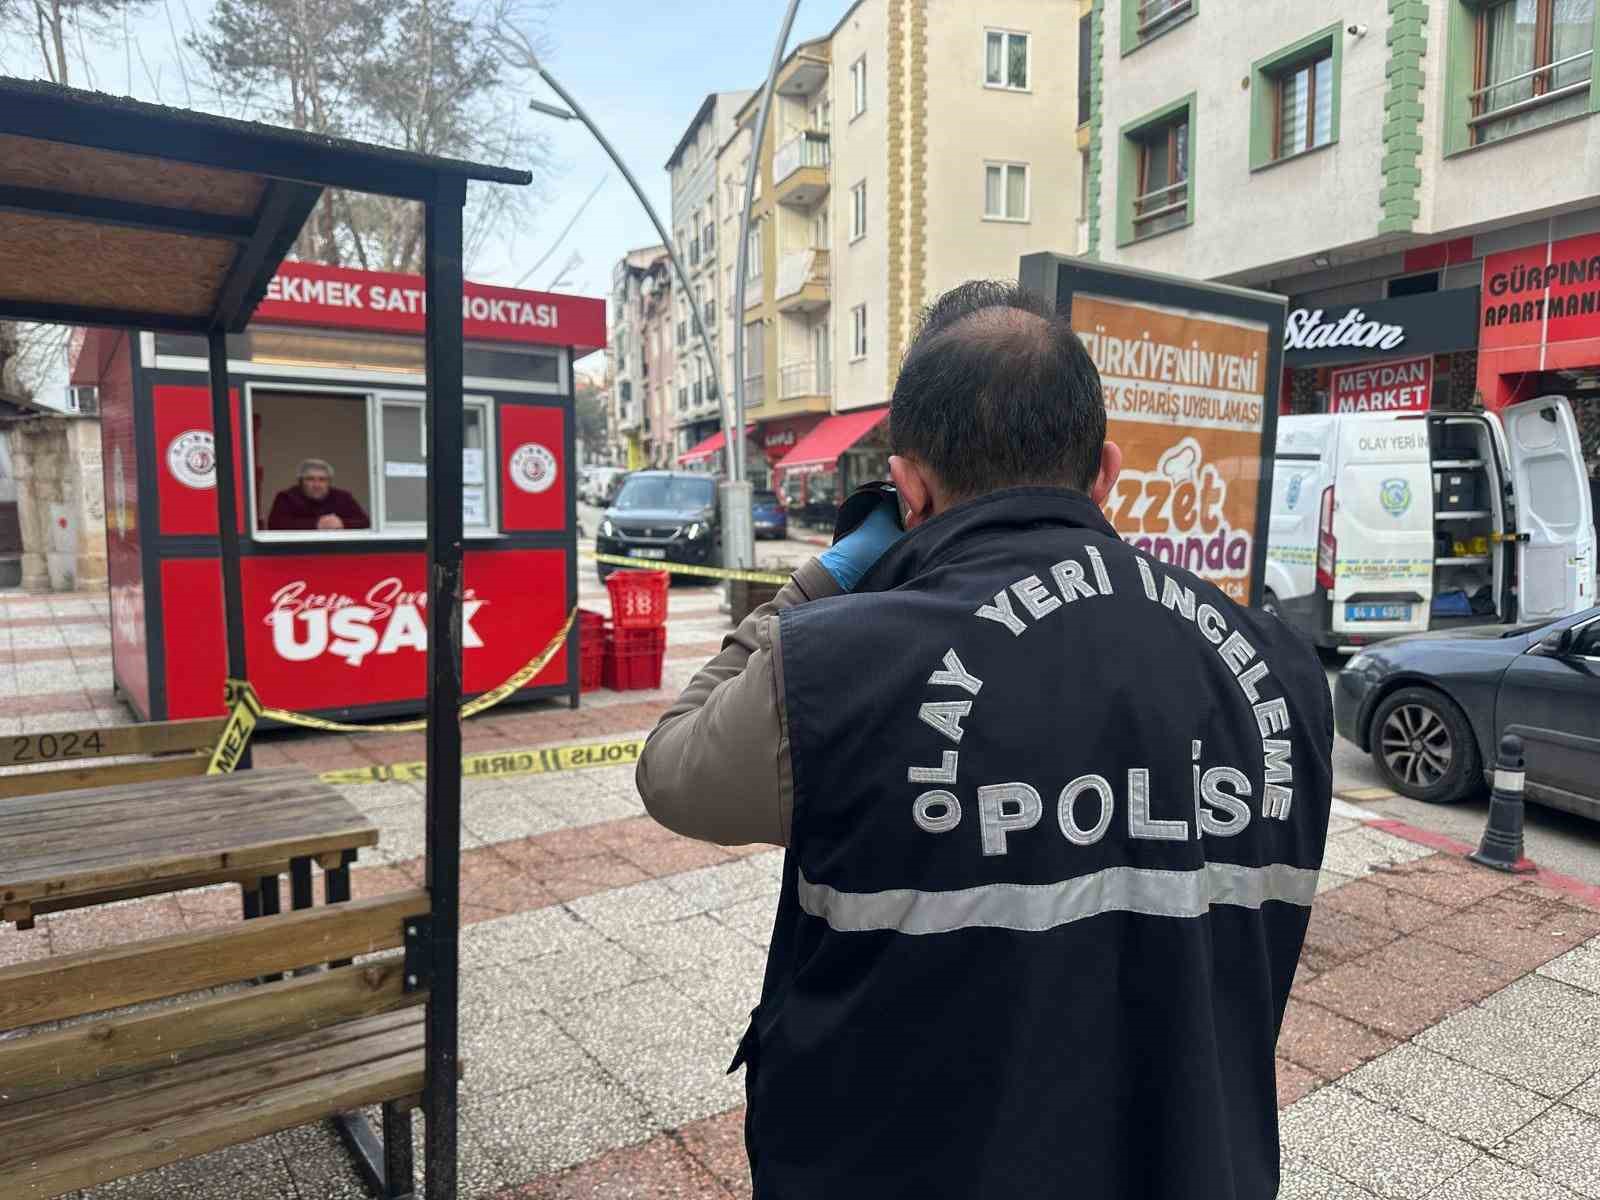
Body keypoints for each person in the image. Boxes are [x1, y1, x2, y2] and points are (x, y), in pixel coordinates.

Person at [636, 281, 1333, 1199]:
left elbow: (672, 768)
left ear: (910, 485)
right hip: (1197, 1166)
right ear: (1107, 473)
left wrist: (819, 585)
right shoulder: (1275, 662)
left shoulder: (834, 665)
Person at [266, 459, 370, 531]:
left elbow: (365, 522)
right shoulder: (286, 497)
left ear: (329, 482)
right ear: (300, 482)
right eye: (310, 479)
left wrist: (342, 523)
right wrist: (316, 524)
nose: (317, 485)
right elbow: (275, 525)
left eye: (322, 480)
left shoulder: (343, 497)